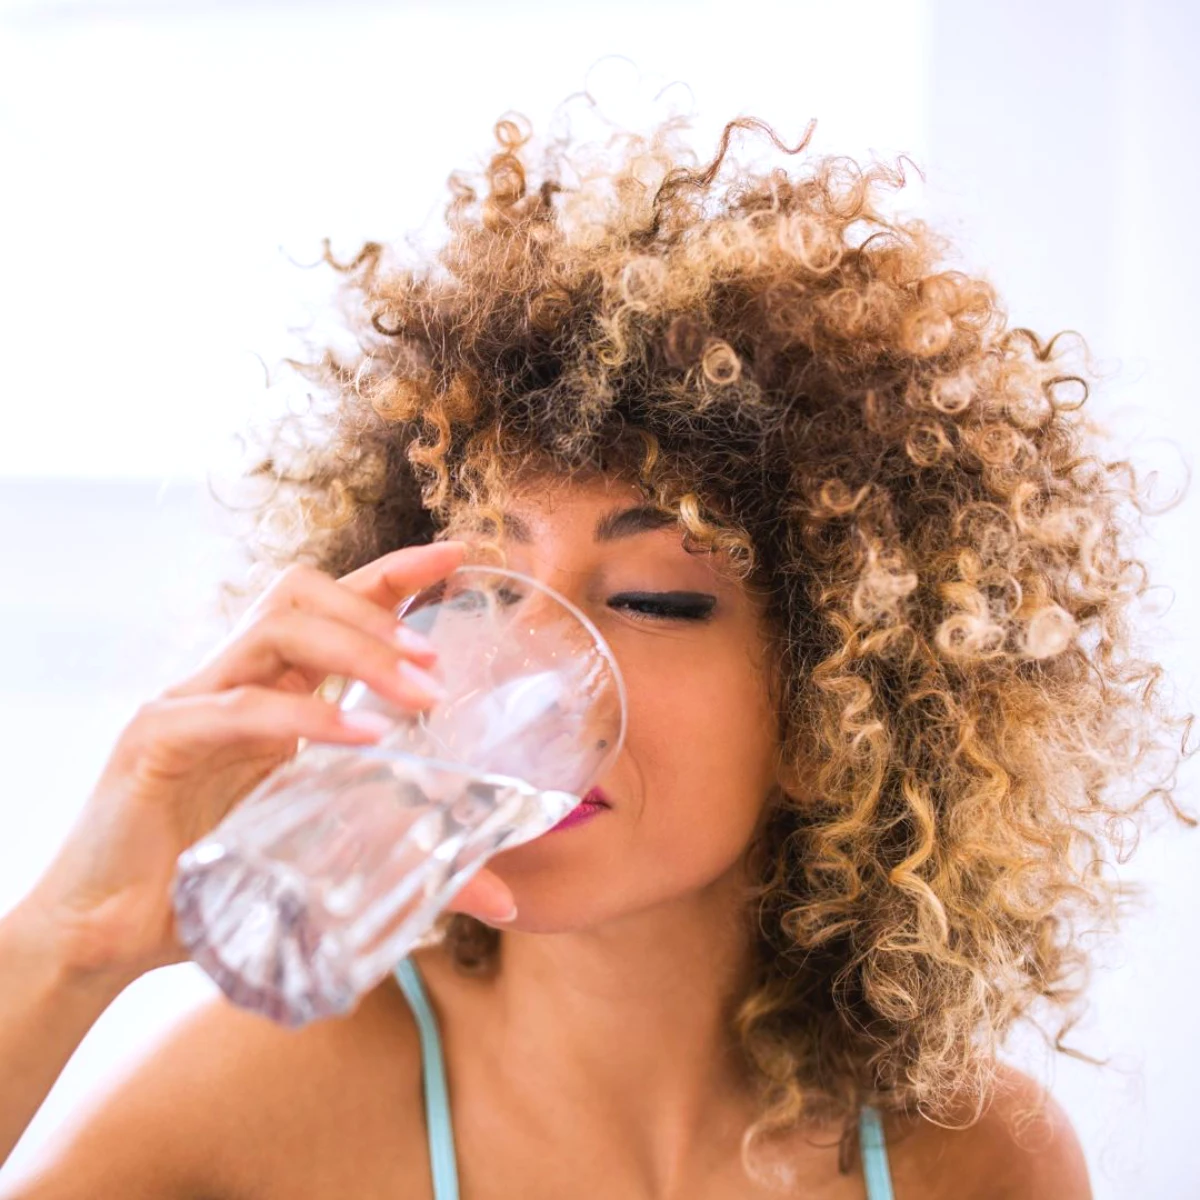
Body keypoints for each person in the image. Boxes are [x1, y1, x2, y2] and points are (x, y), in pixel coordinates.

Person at [0, 109, 1190, 1199]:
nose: (521, 665)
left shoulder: (974, 1160)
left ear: (839, 718)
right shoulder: (271, 1103)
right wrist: (68, 942)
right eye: (480, 582)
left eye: (653, 601)